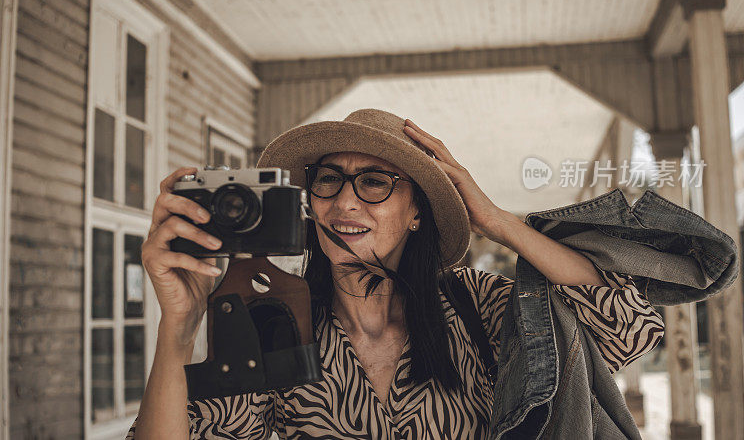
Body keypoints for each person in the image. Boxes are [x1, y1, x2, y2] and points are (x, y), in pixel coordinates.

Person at [126, 109, 664, 439]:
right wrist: (178, 328)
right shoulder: (272, 322)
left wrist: (499, 223)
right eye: (328, 180)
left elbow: (626, 328)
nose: (345, 202)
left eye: (375, 182)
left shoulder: (478, 308)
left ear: (416, 211)